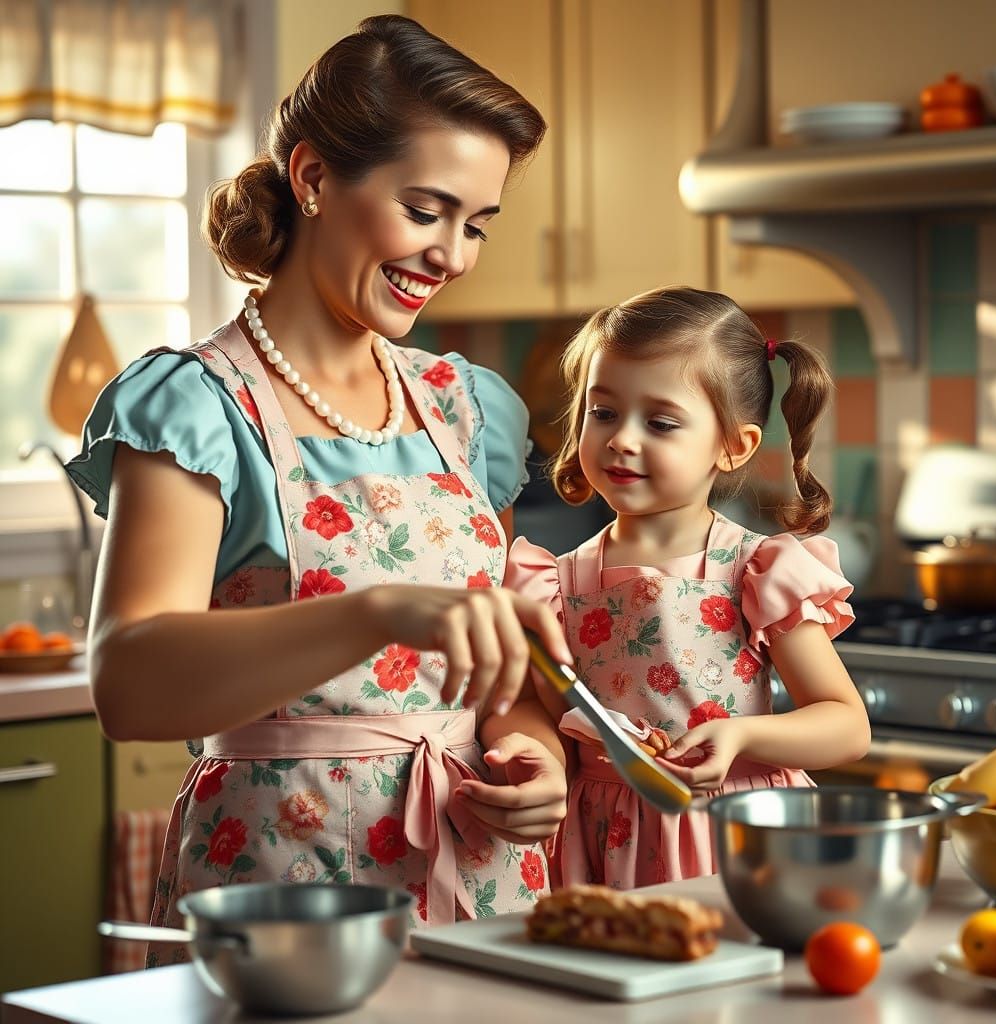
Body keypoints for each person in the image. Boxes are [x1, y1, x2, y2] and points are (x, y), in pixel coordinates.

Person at [66, 15, 574, 958]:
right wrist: (375, 610)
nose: (453, 256)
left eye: (476, 226)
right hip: (281, 893)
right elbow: (129, 686)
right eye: (426, 212)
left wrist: (534, 756)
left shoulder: (470, 411)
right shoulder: (198, 405)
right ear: (312, 180)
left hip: (480, 885)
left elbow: (504, 674)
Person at [505, 285, 871, 889]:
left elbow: (847, 726)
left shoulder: (757, 570)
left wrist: (742, 734)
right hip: (597, 844)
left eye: (661, 421)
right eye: (603, 412)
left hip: (733, 842)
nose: (623, 438)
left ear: (733, 447)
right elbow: (545, 718)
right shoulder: (549, 583)